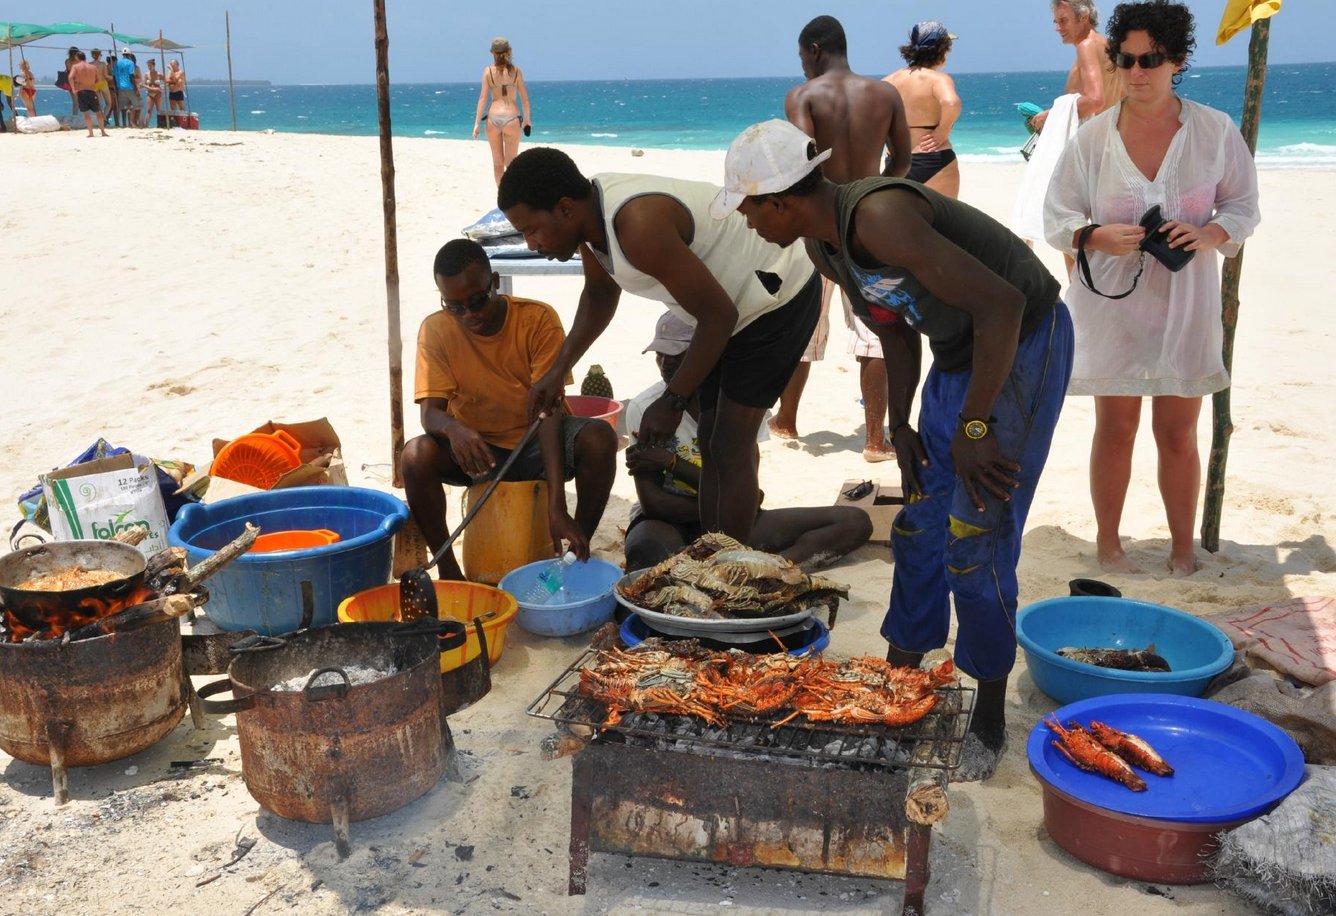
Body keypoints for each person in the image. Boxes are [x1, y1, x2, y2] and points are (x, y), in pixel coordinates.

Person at [717, 119, 1073, 781]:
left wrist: (972, 428)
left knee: (975, 538)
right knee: (918, 524)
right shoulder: (827, 249)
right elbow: (897, 328)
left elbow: (1004, 304)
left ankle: (987, 714)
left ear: (779, 201)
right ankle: (901, 675)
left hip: (1023, 343)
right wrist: (903, 423)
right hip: (959, 358)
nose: (742, 219)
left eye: (745, 205)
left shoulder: (879, 217)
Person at [497, 146, 822, 545]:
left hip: (777, 294)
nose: (531, 244)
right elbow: (600, 296)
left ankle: (733, 565)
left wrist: (673, 401)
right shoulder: (591, 222)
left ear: (564, 209)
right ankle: (717, 552)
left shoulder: (636, 225)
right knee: (711, 439)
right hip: (729, 310)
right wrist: (555, 371)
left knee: (730, 445)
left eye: (531, 230)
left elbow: (719, 317)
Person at [1044, 0, 1260, 577]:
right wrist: (1094, 236)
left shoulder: (1214, 131)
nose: (1136, 71)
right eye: (1126, 58)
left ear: (1177, 60)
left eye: (1151, 59)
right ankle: (1109, 544)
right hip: (1111, 308)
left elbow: (1243, 206)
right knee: (1115, 429)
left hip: (1186, 305)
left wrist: (1208, 231)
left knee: (1178, 432)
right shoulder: (1092, 139)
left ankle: (1182, 549)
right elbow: (1056, 214)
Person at [401, 239, 616, 581]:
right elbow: (430, 414)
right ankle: (450, 572)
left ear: (496, 282)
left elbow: (548, 414)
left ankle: (577, 553)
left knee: (600, 438)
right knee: (415, 455)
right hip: (478, 451)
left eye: (477, 301)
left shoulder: (537, 318)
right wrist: (454, 429)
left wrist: (556, 505)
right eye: (454, 306)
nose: (468, 316)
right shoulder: (436, 328)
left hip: (536, 440)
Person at [625, 310, 873, 572]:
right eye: (659, 355)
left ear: (706, 352)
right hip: (670, 523)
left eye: (677, 355)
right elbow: (655, 503)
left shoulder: (740, 403)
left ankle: (770, 573)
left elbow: (749, 490)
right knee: (646, 550)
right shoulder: (645, 408)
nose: (665, 364)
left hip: (730, 519)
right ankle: (736, 570)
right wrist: (732, 503)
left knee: (854, 523)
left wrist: (673, 463)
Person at [770, 14, 912, 458]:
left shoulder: (804, 95)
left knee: (806, 323)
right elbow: (904, 162)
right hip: (867, 221)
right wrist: (872, 192)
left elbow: (803, 163)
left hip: (818, 222)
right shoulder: (885, 94)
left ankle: (787, 419)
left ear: (814, 49)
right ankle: (875, 439)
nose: (802, 68)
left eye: (801, 57)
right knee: (876, 331)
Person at [1013, 1, 1123, 251]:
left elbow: (1096, 99)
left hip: (1090, 152)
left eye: (1063, 21)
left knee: (1070, 232)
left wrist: (1050, 115)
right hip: (1111, 147)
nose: (1057, 28)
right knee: (1089, 233)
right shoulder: (1107, 46)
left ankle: (1077, 290)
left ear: (1083, 18)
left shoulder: (1086, 47)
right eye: (1056, 21)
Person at [885, 21, 962, 198]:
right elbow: (951, 103)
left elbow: (872, 115)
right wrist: (943, 130)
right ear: (941, 50)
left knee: (902, 224)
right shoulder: (938, 79)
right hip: (934, 160)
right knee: (943, 224)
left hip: (897, 160)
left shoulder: (889, 80)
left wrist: (887, 139)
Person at [472, 37, 532, 187]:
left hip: (493, 119)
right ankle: (512, 200)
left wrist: (477, 123)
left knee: (498, 164)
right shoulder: (516, 72)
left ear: (492, 52)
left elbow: (482, 98)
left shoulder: (488, 72)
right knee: (511, 164)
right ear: (509, 51)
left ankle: (502, 199)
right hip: (512, 119)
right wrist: (527, 120)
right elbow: (525, 100)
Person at [68, 51, 109, 138]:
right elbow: (98, 80)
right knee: (98, 112)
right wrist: (96, 89)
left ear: (77, 58)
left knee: (86, 113)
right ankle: (102, 132)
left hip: (82, 91)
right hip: (92, 91)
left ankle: (91, 133)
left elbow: (70, 77)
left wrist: (73, 89)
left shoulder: (75, 66)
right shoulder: (93, 67)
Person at [114, 50, 136, 128]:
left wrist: (116, 87)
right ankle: (130, 123)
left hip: (120, 87)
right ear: (129, 55)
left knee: (123, 107)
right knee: (131, 106)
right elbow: (131, 75)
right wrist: (135, 87)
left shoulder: (117, 63)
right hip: (129, 86)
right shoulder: (131, 63)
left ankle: (123, 124)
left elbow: (114, 76)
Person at [90, 49, 112, 117]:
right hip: (102, 83)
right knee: (108, 103)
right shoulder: (102, 64)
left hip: (95, 85)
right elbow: (106, 76)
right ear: (99, 55)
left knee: (99, 104)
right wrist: (112, 77)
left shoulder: (89, 64)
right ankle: (104, 117)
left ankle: (100, 118)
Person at [166, 59, 186, 125]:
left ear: (177, 65)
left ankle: (183, 122)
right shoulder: (170, 72)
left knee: (181, 108)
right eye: (171, 64)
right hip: (172, 92)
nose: (171, 65)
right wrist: (173, 82)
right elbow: (167, 80)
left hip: (179, 92)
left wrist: (171, 71)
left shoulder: (181, 72)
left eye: (173, 64)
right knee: (173, 108)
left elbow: (175, 79)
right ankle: (174, 122)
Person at [144, 59, 164, 125]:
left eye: (150, 66)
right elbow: (144, 84)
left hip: (158, 94)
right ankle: (147, 124)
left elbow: (165, 81)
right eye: (148, 66)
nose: (149, 67)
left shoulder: (159, 74)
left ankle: (160, 124)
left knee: (159, 110)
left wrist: (162, 87)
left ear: (154, 65)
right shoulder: (146, 74)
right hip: (150, 94)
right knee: (149, 110)